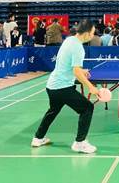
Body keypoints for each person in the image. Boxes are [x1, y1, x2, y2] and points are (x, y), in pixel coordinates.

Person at [31, 20, 100, 153]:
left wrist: (82, 70)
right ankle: (80, 143)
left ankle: (38, 138)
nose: (92, 35)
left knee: (53, 110)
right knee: (87, 108)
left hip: (52, 86)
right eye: (92, 33)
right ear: (86, 33)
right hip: (63, 87)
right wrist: (91, 87)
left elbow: (67, 63)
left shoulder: (69, 40)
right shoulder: (78, 47)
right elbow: (76, 71)